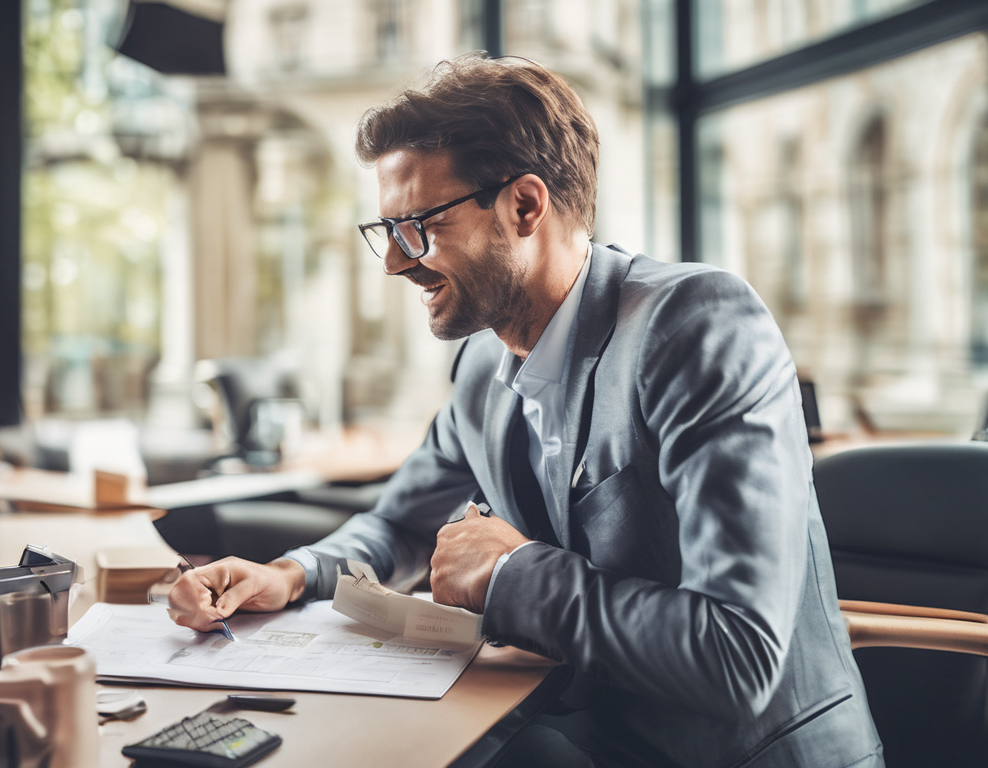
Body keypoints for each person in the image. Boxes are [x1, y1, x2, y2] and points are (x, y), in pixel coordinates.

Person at [168, 53, 884, 767]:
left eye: (417, 224)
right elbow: (399, 525)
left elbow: (739, 654)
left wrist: (511, 575)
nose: (392, 261)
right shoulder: (482, 365)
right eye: (383, 230)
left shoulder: (696, 326)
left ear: (524, 206)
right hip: (591, 736)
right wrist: (291, 576)